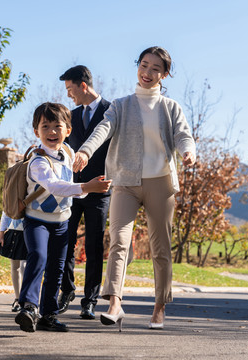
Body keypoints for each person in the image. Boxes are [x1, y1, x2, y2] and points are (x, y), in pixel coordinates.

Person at [72, 46, 196, 331]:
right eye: (144, 65)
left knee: (160, 248)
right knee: (118, 241)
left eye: (155, 68)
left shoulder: (170, 107)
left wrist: (188, 151)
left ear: (165, 74)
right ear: (137, 66)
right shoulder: (121, 104)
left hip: (160, 183)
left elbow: (182, 135)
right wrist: (86, 151)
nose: (147, 72)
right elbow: (103, 128)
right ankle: (114, 302)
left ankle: (159, 306)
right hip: (126, 182)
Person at [14, 102, 112, 333]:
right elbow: (56, 186)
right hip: (36, 220)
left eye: (58, 126)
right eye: (45, 126)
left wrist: (87, 160)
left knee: (57, 268)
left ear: (68, 131)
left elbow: (76, 162)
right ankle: (28, 307)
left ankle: (48, 314)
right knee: (38, 256)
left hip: (61, 222)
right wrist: (87, 187)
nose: (52, 132)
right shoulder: (38, 162)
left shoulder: (68, 152)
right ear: (36, 131)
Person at [57, 65, 112, 320]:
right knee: (64, 240)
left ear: (83, 86)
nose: (69, 95)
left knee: (93, 245)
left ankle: (89, 300)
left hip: (101, 189)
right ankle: (66, 290)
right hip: (74, 188)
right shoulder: (72, 116)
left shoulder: (111, 111)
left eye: (70, 89)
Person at [0, 213, 26, 312]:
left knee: (24, 267)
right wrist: (1, 235)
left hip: (28, 232)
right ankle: (17, 298)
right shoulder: (10, 198)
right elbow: (6, 214)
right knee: (14, 267)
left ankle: (26, 299)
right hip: (14, 231)